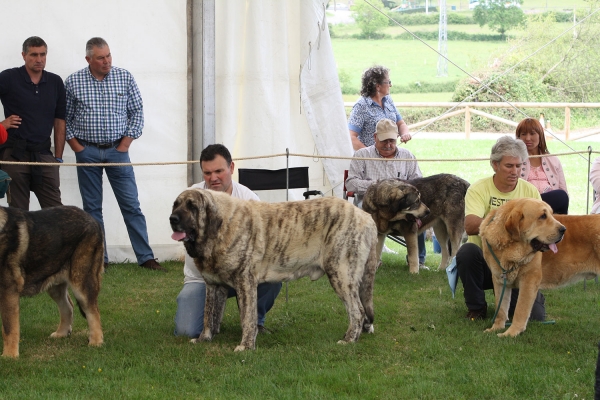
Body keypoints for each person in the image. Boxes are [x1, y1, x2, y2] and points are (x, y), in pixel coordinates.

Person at [65, 37, 163, 271]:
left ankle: (146, 257)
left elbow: (137, 112)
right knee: (92, 208)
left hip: (118, 151)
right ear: (88, 59)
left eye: (109, 55)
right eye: (101, 57)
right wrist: (77, 148)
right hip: (87, 151)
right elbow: (64, 118)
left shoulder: (124, 77)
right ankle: (100, 259)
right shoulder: (73, 82)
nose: (107, 61)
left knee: (131, 204)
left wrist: (125, 144)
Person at [174, 144, 282, 338]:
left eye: (219, 171)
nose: (213, 178)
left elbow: (263, 243)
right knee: (186, 331)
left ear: (231, 168)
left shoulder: (248, 198)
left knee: (273, 278)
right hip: (202, 279)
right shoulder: (191, 197)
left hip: (241, 274)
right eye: (207, 173)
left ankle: (254, 322)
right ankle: (210, 322)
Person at [456, 136, 546, 321]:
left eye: (519, 166)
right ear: (495, 165)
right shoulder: (478, 189)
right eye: (509, 166)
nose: (515, 171)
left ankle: (528, 296)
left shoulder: (531, 192)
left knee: (536, 317)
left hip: (519, 265)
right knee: (467, 251)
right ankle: (477, 308)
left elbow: (541, 230)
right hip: (485, 262)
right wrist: (510, 227)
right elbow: (471, 225)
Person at [345, 118, 427, 269]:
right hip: (371, 207)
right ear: (375, 137)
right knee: (366, 212)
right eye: (384, 141)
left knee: (417, 212)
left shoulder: (407, 156)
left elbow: (418, 182)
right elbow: (350, 183)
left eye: (392, 140)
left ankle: (418, 261)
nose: (388, 145)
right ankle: (370, 260)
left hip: (400, 207)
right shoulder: (362, 155)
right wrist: (378, 187)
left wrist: (400, 191)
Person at [0, 36, 65, 210]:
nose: (39, 59)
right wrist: (2, 125)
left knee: (56, 214)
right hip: (14, 154)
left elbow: (59, 120)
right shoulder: (8, 77)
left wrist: (58, 157)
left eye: (42, 54)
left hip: (44, 154)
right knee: (18, 215)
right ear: (23, 55)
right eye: (34, 55)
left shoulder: (55, 82)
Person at [348, 65, 411, 151]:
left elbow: (400, 123)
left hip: (390, 155)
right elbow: (351, 137)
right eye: (388, 82)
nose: (391, 85)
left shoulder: (388, 100)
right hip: (370, 160)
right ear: (378, 86)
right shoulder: (361, 106)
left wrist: (404, 134)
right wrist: (369, 155)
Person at [515, 117, 569, 214]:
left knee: (562, 195)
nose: (528, 138)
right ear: (518, 137)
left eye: (532, 133)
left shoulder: (553, 160)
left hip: (550, 203)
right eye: (523, 134)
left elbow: (563, 189)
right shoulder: (514, 160)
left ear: (540, 135)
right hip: (525, 204)